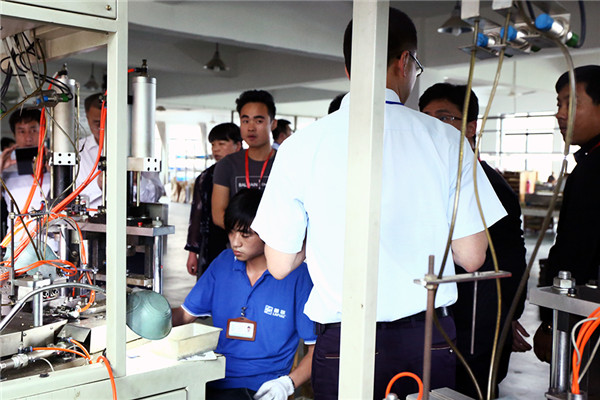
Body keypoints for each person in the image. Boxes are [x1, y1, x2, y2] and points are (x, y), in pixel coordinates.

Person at [251, 8, 506, 400]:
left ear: (348, 68)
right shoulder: (447, 141)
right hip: (426, 338)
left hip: (342, 341)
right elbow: (472, 257)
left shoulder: (300, 147)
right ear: (404, 62)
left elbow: (280, 265)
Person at [419, 82, 531, 398]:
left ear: (471, 127)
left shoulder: (488, 186)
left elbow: (511, 258)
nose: (433, 127)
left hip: (474, 324)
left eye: (444, 118)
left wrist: (508, 317)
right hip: (437, 319)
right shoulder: (432, 179)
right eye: (425, 118)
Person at [172, 189, 316, 400]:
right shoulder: (223, 263)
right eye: (231, 232)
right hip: (212, 378)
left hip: (262, 387)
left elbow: (316, 350)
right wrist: (147, 317)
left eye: (245, 234)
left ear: (268, 231)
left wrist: (286, 384)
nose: (235, 242)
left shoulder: (297, 276)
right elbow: (185, 314)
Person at [534, 66, 600, 394]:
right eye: (558, 104)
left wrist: (551, 323)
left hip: (588, 321)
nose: (560, 114)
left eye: (571, 104)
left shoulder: (592, 171)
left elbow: (574, 251)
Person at [80, 93, 165, 210]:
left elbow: (155, 196)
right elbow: (67, 197)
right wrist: (98, 185)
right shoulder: (78, 151)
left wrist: (137, 181)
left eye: (108, 122)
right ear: (87, 118)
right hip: (88, 220)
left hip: (128, 219)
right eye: (97, 123)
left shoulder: (138, 150)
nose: (103, 128)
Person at [212, 90, 277, 229]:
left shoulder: (286, 163)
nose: (251, 128)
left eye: (259, 121)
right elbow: (218, 214)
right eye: (245, 121)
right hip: (239, 242)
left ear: (273, 124)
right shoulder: (227, 165)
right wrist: (247, 235)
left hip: (276, 241)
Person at [185, 123, 242, 278]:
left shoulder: (245, 174)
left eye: (221, 144)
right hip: (211, 245)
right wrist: (192, 252)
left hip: (242, 242)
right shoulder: (205, 177)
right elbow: (197, 215)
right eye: (213, 145)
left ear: (238, 145)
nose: (215, 149)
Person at [1, 108, 50, 216]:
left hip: (51, 225)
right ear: (14, 135)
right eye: (22, 131)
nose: (28, 138)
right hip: (18, 225)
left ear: (44, 133)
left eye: (33, 130)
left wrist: (54, 171)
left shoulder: (55, 161)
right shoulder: (5, 162)